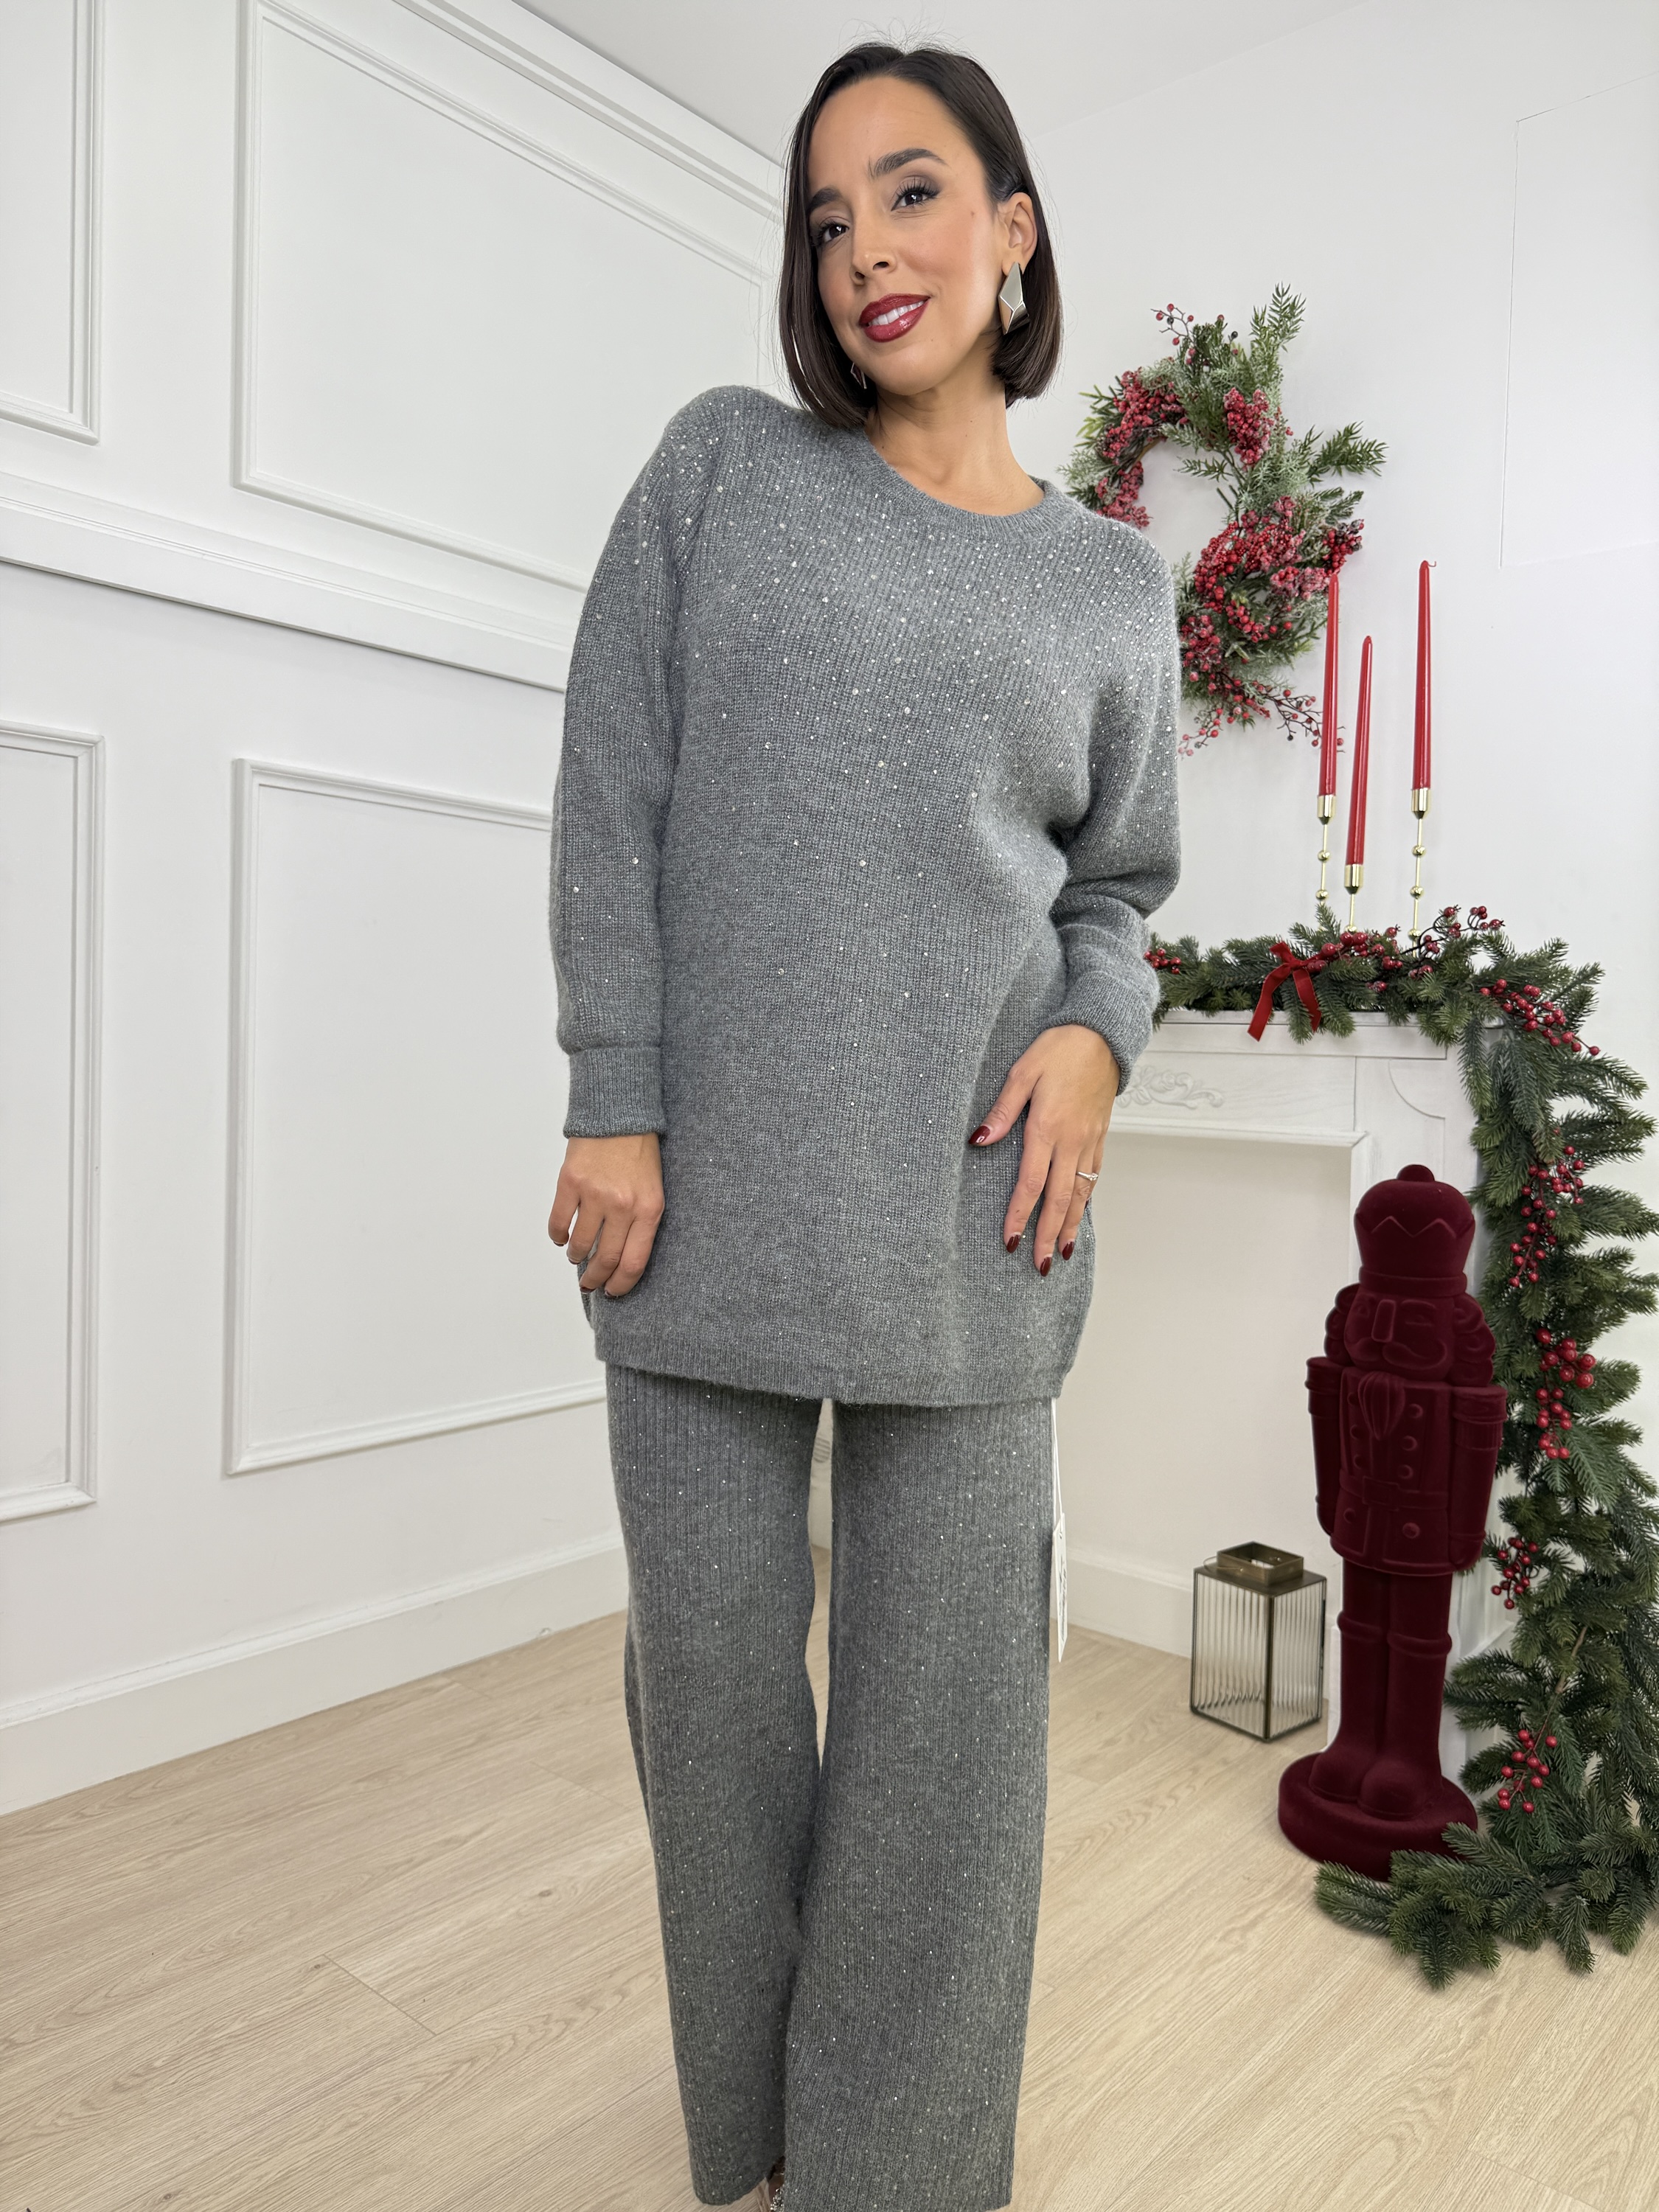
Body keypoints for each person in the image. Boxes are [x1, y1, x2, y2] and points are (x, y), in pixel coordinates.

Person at [546, 40, 1180, 2212]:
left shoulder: (1109, 585)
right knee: (715, 1721)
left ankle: (891, 2175)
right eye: (828, 218)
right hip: (696, 1208)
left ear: (1012, 230)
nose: (866, 254)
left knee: (944, 1758)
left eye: (911, 194)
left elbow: (1119, 893)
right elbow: (612, 787)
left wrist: (1097, 1038)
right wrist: (615, 1095)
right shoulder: (722, 468)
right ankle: (759, 2152)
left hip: (976, 1220)